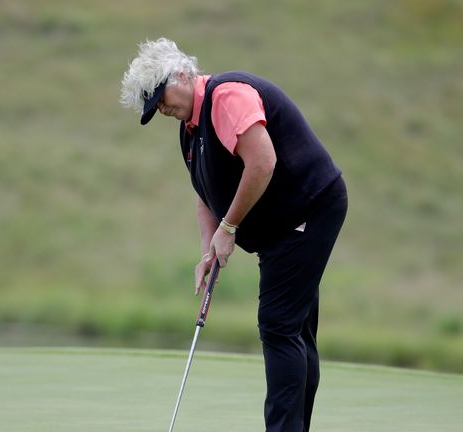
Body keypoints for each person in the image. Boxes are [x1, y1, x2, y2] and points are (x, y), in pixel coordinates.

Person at [120, 38, 347, 432]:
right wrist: (211, 248)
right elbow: (206, 195)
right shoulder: (189, 129)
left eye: (161, 95)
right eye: (153, 104)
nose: (160, 107)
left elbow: (262, 162)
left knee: (278, 325)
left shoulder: (226, 98)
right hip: (283, 227)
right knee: (294, 328)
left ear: (183, 74)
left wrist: (229, 228)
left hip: (309, 210)